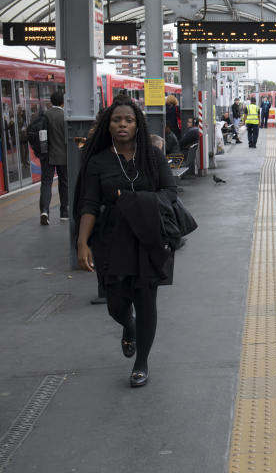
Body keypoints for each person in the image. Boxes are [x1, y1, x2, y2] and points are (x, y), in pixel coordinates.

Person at [74, 96, 178, 388]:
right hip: (111, 240)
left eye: (128, 120)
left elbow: (170, 192)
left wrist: (134, 201)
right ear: (108, 125)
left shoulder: (153, 157)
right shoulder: (97, 161)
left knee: (146, 301)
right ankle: (128, 325)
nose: (122, 124)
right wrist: (82, 243)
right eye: (117, 120)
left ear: (137, 125)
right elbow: (89, 204)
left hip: (148, 239)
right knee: (116, 304)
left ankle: (141, 362)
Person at [39, 90, 68, 224]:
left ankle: (44, 211)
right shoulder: (65, 116)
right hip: (63, 155)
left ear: (51, 101)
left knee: (46, 183)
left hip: (47, 156)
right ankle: (64, 212)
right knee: (64, 183)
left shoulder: (45, 115)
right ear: (63, 102)